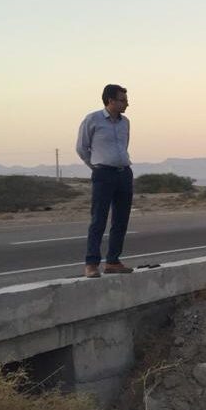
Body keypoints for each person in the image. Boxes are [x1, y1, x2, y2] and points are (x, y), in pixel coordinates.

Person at [76, 84, 134, 278]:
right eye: (123, 100)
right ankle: (91, 264)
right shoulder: (92, 119)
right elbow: (82, 148)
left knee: (121, 220)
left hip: (124, 173)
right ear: (110, 101)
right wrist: (96, 166)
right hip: (104, 174)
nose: (127, 103)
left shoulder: (125, 122)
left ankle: (113, 261)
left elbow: (124, 146)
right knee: (99, 219)